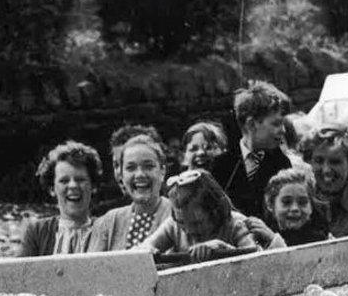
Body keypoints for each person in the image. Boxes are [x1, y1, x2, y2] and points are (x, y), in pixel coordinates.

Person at [136, 169, 281, 263]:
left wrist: (221, 248)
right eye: (182, 223)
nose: (188, 231)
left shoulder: (235, 224)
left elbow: (257, 262)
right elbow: (142, 249)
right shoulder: (173, 226)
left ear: (215, 212)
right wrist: (147, 252)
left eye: (197, 223)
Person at [211, 80, 292, 220]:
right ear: (251, 124)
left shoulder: (282, 165)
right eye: (276, 124)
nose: (283, 130)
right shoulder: (220, 166)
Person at [19, 141, 102, 257]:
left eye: (80, 180)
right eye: (64, 181)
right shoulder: (36, 231)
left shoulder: (106, 229)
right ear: (52, 189)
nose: (73, 186)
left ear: (93, 186)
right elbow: (21, 273)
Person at [91, 134, 172, 250]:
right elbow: (92, 266)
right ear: (121, 175)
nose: (140, 175)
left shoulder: (179, 217)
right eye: (131, 168)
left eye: (148, 166)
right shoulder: (108, 222)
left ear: (162, 171)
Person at [92, 124, 163, 215]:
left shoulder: (178, 210)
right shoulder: (104, 215)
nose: (119, 172)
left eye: (147, 165)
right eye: (116, 165)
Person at [263, 168, 330, 246]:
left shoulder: (324, 241)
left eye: (302, 202)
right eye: (287, 202)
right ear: (270, 204)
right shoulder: (261, 237)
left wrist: (274, 241)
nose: (295, 208)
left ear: (311, 206)